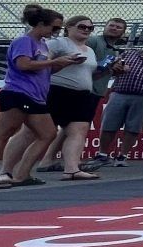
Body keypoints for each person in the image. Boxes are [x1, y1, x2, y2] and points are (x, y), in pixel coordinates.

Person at [0, 4, 78, 190]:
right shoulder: (24, 41)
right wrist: (54, 61)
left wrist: (64, 63)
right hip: (18, 92)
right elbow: (23, 65)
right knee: (2, 135)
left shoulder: (41, 44)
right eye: (54, 28)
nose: (56, 32)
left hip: (34, 95)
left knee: (47, 133)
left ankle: (22, 174)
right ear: (40, 24)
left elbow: (44, 70)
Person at [95, 32, 143, 165]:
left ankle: (122, 156)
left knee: (133, 128)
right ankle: (102, 154)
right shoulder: (128, 53)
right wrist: (117, 67)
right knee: (109, 124)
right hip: (119, 93)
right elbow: (112, 68)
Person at [43, 16, 104, 180]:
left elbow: (88, 73)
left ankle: (71, 168)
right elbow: (42, 62)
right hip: (58, 90)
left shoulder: (89, 50)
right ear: (68, 27)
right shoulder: (59, 43)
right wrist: (62, 61)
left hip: (82, 94)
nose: (86, 30)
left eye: (90, 28)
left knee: (79, 131)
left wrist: (107, 69)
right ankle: (12, 169)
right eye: (82, 26)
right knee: (37, 132)